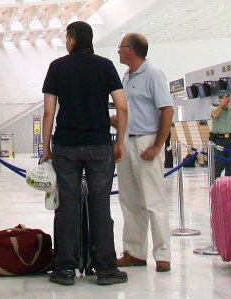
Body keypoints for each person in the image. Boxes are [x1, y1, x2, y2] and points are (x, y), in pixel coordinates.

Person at [40, 21, 129, 287]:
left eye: (67, 37)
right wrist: (119, 142)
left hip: (66, 145)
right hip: (99, 145)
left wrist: (46, 148)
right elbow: (122, 107)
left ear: (72, 40)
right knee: (100, 205)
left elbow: (48, 112)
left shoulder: (57, 67)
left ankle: (65, 268)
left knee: (66, 206)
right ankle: (105, 269)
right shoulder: (105, 66)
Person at [113, 33, 174, 273]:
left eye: (121, 47)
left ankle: (163, 254)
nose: (118, 50)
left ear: (132, 50)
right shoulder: (126, 77)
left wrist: (157, 146)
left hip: (147, 141)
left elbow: (167, 111)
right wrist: (117, 124)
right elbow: (132, 111)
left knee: (153, 201)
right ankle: (134, 252)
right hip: (127, 141)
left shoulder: (153, 74)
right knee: (129, 200)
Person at [210, 92, 231, 179]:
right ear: (219, 100)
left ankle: (230, 184)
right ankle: (215, 183)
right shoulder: (214, 108)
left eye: (228, 99)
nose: (227, 101)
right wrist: (221, 105)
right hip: (218, 139)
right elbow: (214, 115)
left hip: (230, 139)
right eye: (225, 99)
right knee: (219, 162)